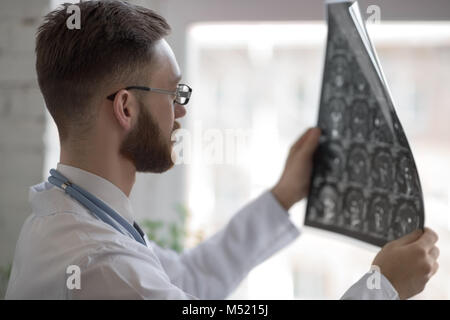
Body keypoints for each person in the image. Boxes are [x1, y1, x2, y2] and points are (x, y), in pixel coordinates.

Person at [5, 0, 439, 300]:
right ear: (126, 107)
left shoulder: (71, 215)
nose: (182, 112)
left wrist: (283, 195)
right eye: (174, 94)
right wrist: (384, 287)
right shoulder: (101, 265)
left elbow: (193, 280)